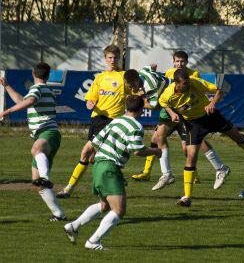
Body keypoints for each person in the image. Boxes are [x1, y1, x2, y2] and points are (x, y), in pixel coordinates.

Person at [63, 95, 161, 250]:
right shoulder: (136, 126)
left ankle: (74, 226)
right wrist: (156, 151)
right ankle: (93, 242)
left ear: (125, 107)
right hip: (110, 167)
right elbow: (136, 150)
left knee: (104, 205)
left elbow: (95, 142)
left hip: (99, 164)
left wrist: (94, 156)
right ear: (142, 110)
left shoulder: (115, 120)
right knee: (119, 210)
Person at [159, 68, 244, 206]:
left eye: (188, 82)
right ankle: (187, 197)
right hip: (194, 123)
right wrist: (172, 113)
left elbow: (219, 89)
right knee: (191, 155)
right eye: (184, 84)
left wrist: (212, 103)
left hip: (210, 116)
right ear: (177, 84)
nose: (187, 85)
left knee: (236, 136)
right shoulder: (167, 94)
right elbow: (163, 103)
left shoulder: (195, 82)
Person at [131, 51, 230, 191]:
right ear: (173, 62)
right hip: (171, 111)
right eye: (177, 61)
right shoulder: (169, 73)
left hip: (187, 113)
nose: (179, 64)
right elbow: (164, 89)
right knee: (157, 136)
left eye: (182, 62)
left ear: (187, 62)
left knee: (193, 144)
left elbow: (198, 91)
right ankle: (158, 173)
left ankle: (215, 168)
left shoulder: (194, 75)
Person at [57, 45, 129, 199]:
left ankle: (69, 189)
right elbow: (91, 97)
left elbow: (136, 94)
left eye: (115, 57)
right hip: (98, 119)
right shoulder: (100, 77)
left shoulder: (124, 77)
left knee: (88, 153)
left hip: (114, 121)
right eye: (109, 58)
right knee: (91, 157)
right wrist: (90, 103)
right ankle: (115, 179)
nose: (112, 60)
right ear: (105, 59)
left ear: (119, 59)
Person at [0, 63, 66, 221]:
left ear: (33, 73)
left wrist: (6, 111)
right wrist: (7, 86)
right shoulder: (45, 90)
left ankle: (46, 177)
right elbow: (23, 101)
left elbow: (28, 102)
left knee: (36, 150)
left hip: (48, 132)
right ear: (48, 75)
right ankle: (59, 214)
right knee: (37, 183)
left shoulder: (38, 90)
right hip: (47, 134)